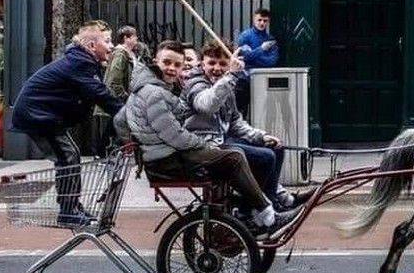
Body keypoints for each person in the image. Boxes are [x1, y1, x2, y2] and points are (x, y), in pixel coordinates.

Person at [114, 40, 299, 235]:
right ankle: (265, 215)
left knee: (260, 152)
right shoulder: (156, 91)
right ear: (155, 62)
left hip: (170, 153)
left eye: (177, 65)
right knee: (237, 157)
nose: (172, 69)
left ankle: (266, 206)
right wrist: (202, 146)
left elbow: (122, 119)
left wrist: (260, 136)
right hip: (167, 159)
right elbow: (177, 133)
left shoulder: (157, 88)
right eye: (167, 63)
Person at [12, 21, 124, 226]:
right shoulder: (80, 64)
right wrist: (126, 113)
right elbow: (100, 94)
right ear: (91, 46)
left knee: (70, 155)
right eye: (107, 41)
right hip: (37, 116)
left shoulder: (82, 61)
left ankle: (71, 206)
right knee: (68, 156)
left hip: (45, 115)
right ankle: (68, 211)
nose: (112, 46)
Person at [183, 39, 313, 210]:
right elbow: (207, 105)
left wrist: (261, 136)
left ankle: (271, 201)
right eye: (211, 63)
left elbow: (236, 122)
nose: (217, 68)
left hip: (221, 141)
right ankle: (260, 210)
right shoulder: (196, 83)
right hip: (206, 146)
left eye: (223, 63)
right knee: (266, 158)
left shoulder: (225, 83)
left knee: (276, 148)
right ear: (202, 64)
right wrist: (230, 76)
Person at [92, 25, 139, 157]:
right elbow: (114, 80)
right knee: (112, 129)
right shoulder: (120, 54)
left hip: (118, 101)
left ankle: (109, 153)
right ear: (126, 38)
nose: (136, 40)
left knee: (115, 128)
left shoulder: (129, 54)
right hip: (115, 101)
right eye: (134, 37)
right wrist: (125, 97)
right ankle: (104, 154)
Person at [234, 8, 279, 118]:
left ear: (268, 22)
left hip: (262, 80)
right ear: (254, 19)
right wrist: (262, 49)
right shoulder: (245, 36)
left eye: (265, 20)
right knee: (240, 113)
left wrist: (252, 56)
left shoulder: (270, 39)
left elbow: (272, 61)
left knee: (261, 112)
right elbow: (243, 57)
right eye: (259, 20)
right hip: (244, 80)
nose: (262, 23)